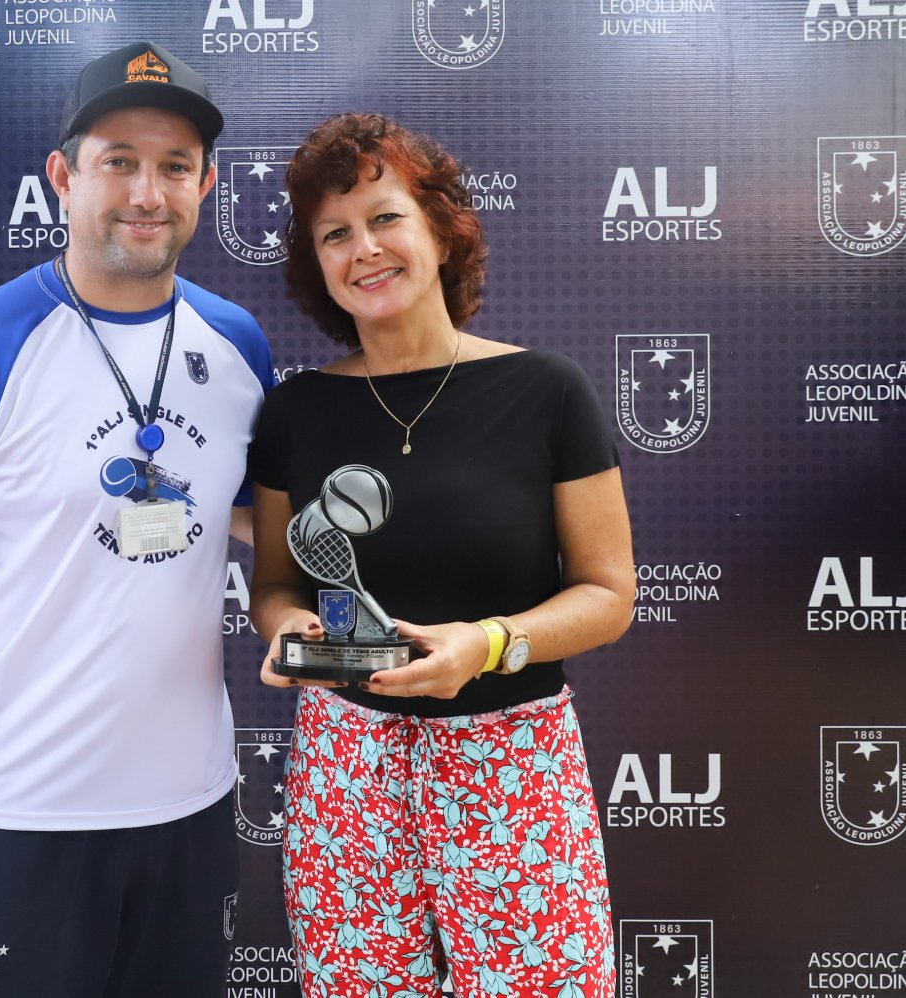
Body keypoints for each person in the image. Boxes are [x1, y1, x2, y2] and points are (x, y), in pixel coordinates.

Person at [0, 41, 273, 997]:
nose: (147, 193)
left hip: (189, 818)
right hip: (9, 820)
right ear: (64, 178)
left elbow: (257, 523)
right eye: (119, 161)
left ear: (206, 185)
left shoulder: (237, 344)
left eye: (175, 167)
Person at [248, 113, 636, 998]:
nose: (364, 249)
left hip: (515, 767)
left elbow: (609, 594)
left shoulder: (545, 389)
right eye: (335, 234)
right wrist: (290, 627)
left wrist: (487, 644)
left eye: (386, 218)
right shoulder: (296, 413)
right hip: (347, 772)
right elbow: (272, 582)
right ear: (317, 264)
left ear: (441, 232)